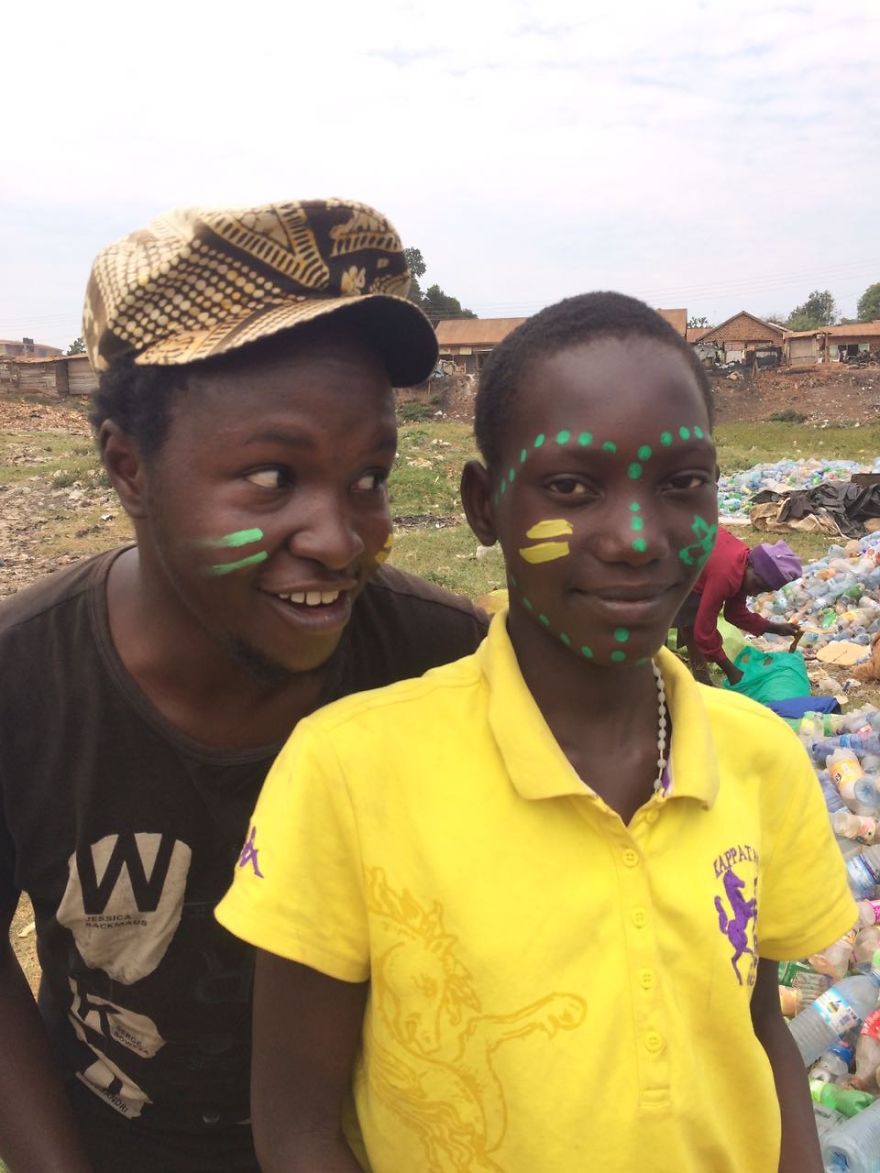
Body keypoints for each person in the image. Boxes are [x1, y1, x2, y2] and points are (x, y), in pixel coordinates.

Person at [217, 292, 856, 1173]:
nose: (637, 538)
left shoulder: (759, 759)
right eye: (572, 488)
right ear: (486, 506)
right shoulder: (349, 772)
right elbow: (298, 1128)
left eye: (682, 484)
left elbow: (756, 1028)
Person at [0, 198, 488, 1173]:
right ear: (129, 468)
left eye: (370, 477)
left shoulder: (445, 666)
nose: (340, 538)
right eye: (272, 478)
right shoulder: (24, 684)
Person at [675, 528, 802, 685]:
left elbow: (735, 613)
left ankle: (701, 677)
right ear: (750, 566)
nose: (755, 593)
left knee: (690, 615)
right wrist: (730, 670)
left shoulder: (745, 567)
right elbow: (704, 632)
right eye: (758, 585)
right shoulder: (726, 575)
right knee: (679, 616)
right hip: (668, 559)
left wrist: (776, 628)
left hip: (688, 560)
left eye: (762, 590)